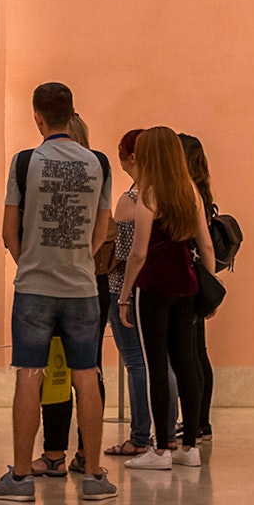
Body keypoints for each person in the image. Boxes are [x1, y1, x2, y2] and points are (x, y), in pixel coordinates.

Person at [0, 83, 116, 502]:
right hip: (81, 287)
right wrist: (78, 258)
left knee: (29, 374)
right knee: (86, 375)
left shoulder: (26, 162)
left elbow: (8, 232)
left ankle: (21, 478)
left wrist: (31, 262)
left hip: (34, 288)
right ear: (72, 112)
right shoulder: (99, 163)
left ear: (37, 116)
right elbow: (102, 230)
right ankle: (94, 476)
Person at [118, 127, 212, 471]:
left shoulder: (149, 194)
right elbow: (206, 246)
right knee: (186, 361)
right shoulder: (190, 192)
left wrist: (124, 296)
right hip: (186, 287)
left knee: (156, 365)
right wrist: (209, 277)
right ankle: (190, 447)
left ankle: (159, 450)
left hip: (153, 289)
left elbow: (138, 254)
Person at [34, 114, 113, 476]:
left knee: (56, 370)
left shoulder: (42, 172)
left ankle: (53, 453)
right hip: (91, 282)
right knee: (88, 369)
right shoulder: (97, 171)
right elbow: (104, 229)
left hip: (52, 281)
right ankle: (87, 453)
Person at [104, 129, 171, 458]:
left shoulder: (131, 199)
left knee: (136, 364)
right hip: (161, 289)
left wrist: (122, 295)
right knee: (164, 364)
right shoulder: (171, 194)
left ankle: (140, 436)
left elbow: (125, 252)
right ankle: (169, 434)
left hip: (126, 290)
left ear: (131, 157)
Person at [178, 132, 217, 442]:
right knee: (198, 352)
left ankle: (198, 422)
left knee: (190, 355)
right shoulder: (201, 193)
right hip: (198, 278)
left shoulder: (185, 194)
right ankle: (201, 421)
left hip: (186, 281)